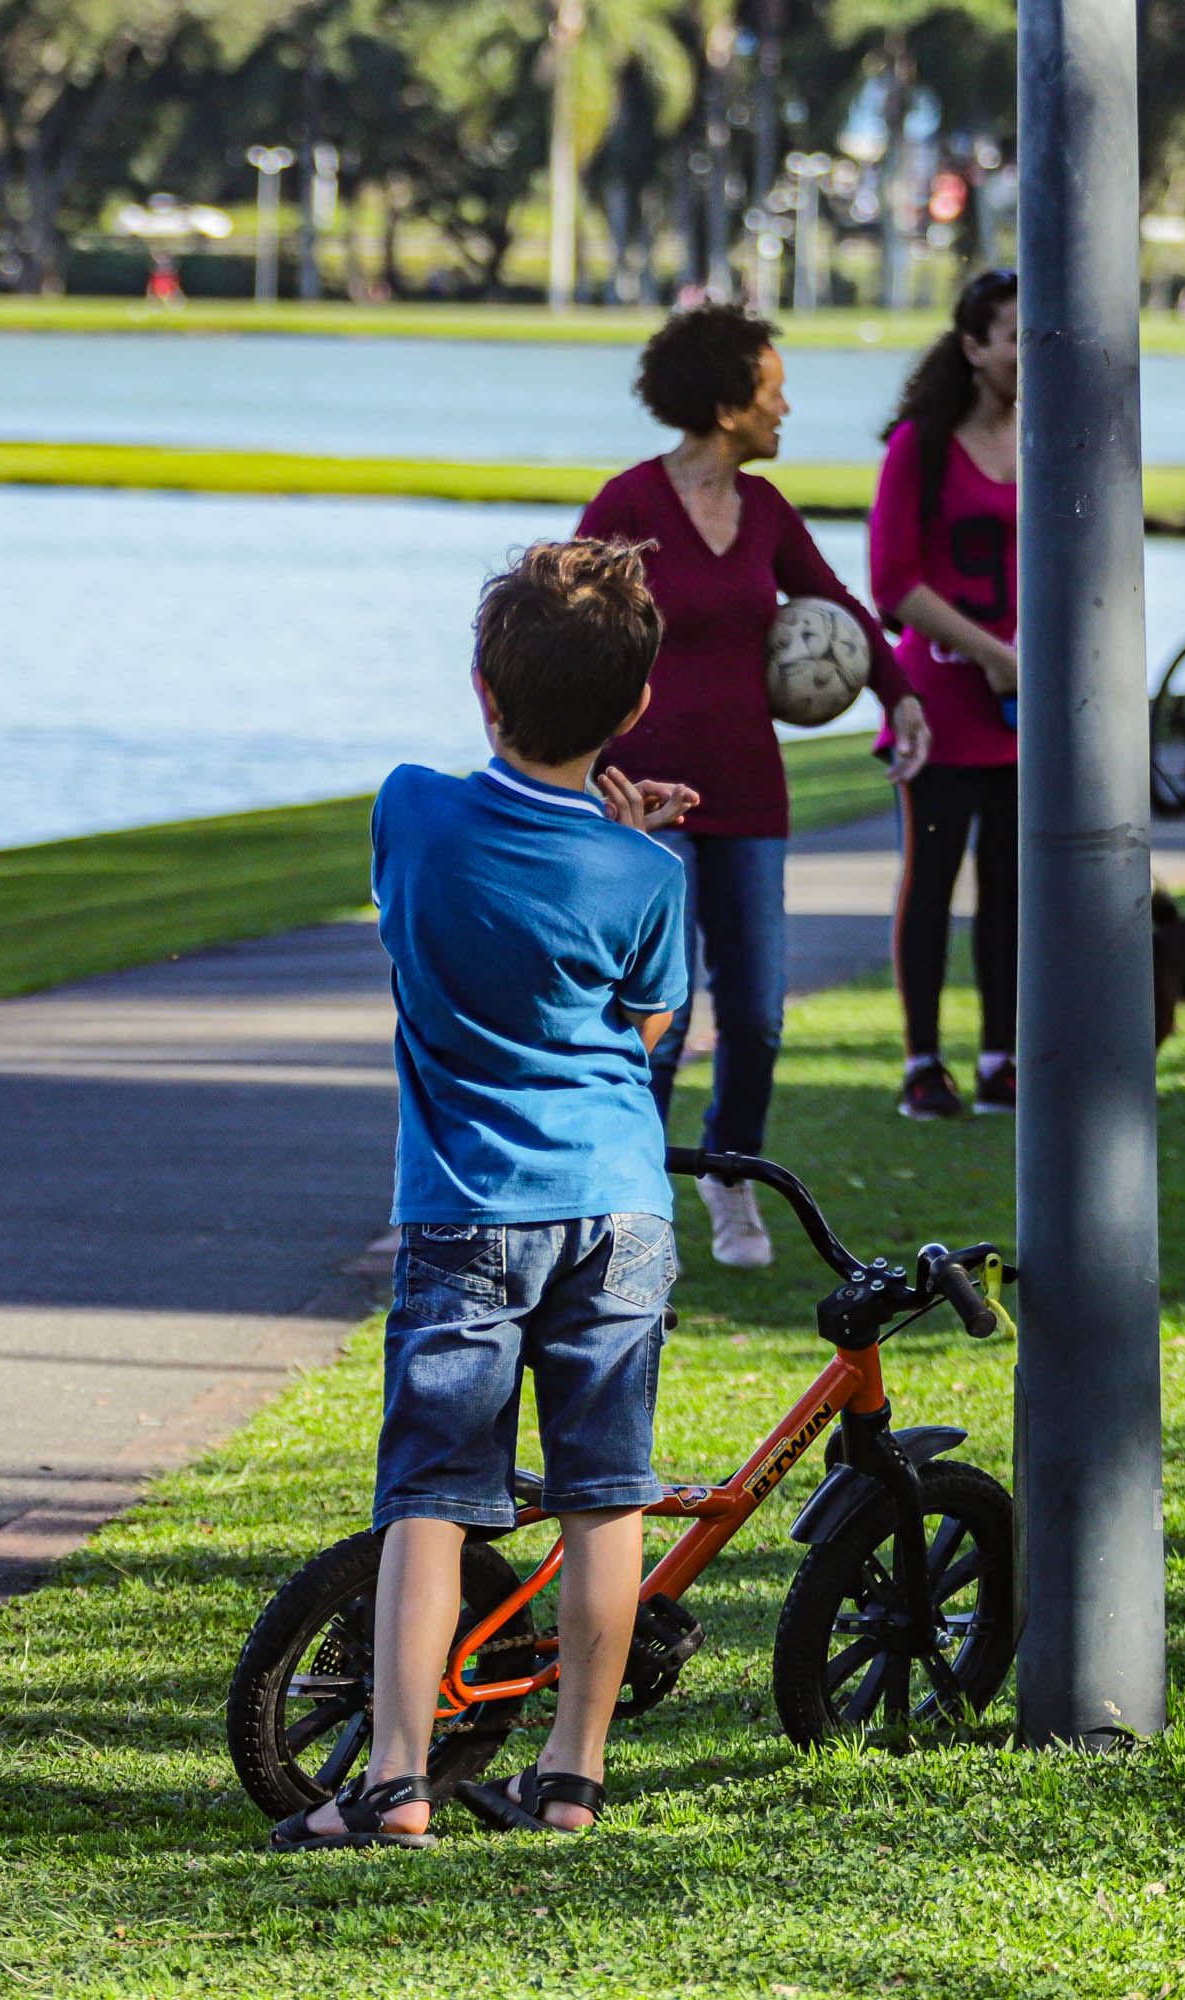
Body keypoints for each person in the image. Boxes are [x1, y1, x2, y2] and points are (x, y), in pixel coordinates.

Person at [271, 540, 693, 1851]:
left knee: (435, 1496)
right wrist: (619, 849)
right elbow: (651, 1029)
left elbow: (441, 897)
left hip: (470, 1213)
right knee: (601, 1495)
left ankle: (396, 1783)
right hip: (620, 1208)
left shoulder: (414, 808)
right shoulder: (652, 877)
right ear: (633, 712)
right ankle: (572, 1777)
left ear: (482, 686)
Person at [575, 302, 930, 1269]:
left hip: (749, 794)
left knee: (760, 1012)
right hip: (640, 804)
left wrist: (898, 697)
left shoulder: (767, 512)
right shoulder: (631, 506)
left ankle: (732, 1177)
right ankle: (631, 1200)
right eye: (772, 389)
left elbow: (841, 607)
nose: (785, 406)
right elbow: (567, 624)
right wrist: (574, 763)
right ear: (727, 403)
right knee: (663, 1015)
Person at [870, 268, 1021, 1121]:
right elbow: (893, 582)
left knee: (1010, 887)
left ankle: (1001, 1058)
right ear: (972, 346)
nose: (1025, 354)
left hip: (1022, 709)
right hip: (941, 706)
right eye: (1011, 337)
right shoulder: (920, 446)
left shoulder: (1050, 437)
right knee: (932, 881)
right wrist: (991, 655)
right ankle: (922, 1064)